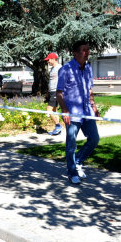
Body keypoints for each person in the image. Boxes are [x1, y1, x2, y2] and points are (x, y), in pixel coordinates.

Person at [56, 40, 99, 185]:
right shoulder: (65, 69)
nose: (87, 53)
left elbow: (90, 89)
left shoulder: (88, 68)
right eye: (83, 50)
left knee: (94, 139)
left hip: (86, 111)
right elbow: (59, 93)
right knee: (71, 145)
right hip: (72, 113)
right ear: (75, 53)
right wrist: (65, 111)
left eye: (88, 50)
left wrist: (93, 105)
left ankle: (79, 161)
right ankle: (72, 172)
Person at [45, 52, 63, 135]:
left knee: (49, 110)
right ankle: (57, 130)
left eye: (48, 60)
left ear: (53, 59)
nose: (47, 61)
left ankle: (58, 125)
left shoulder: (60, 68)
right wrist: (48, 92)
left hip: (56, 91)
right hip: (52, 91)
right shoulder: (52, 68)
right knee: (54, 110)